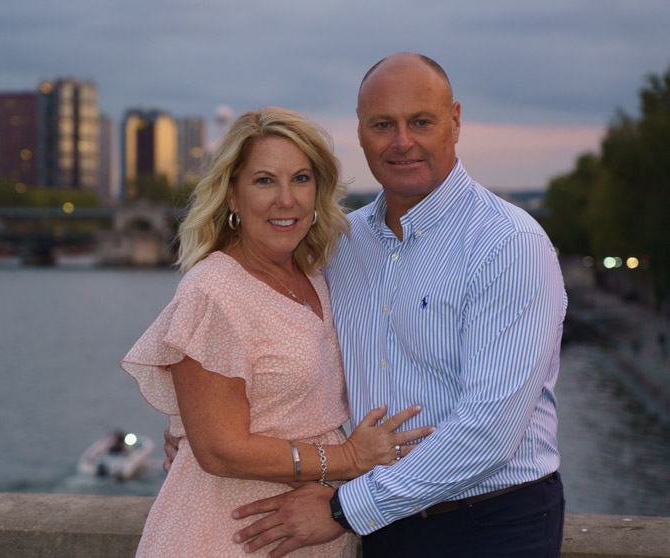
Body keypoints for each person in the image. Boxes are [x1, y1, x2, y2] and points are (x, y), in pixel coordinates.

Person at [227, 53, 568, 557]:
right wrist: (202, 437)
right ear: (361, 134)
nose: (402, 141)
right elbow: (290, 360)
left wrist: (346, 508)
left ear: (455, 121)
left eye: (421, 122)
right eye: (383, 124)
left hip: (491, 524)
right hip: (381, 527)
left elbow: (490, 431)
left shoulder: (508, 244)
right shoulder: (339, 244)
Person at [120, 106, 435, 557]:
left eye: (301, 179)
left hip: (309, 526)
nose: (286, 199)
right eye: (264, 180)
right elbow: (219, 450)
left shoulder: (318, 277)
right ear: (232, 195)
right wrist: (349, 458)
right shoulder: (214, 291)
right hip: (228, 535)